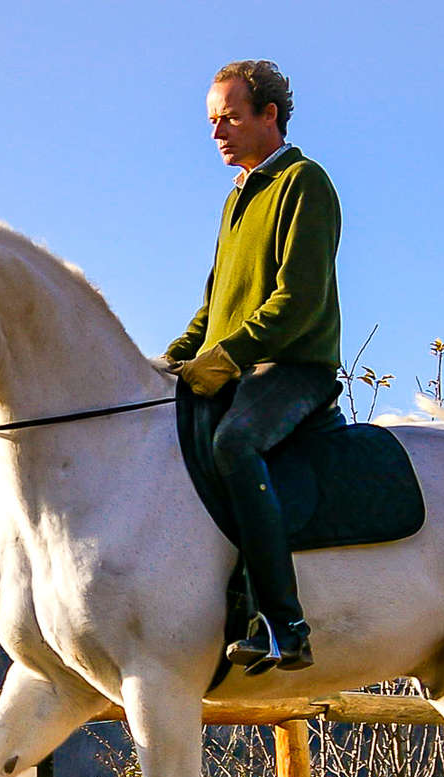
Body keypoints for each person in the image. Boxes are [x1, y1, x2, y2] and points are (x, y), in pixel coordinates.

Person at [158, 60, 342, 675]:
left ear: (269, 115)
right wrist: (167, 363)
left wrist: (226, 357)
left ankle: (283, 623)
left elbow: (298, 300)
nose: (218, 133)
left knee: (235, 442)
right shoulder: (236, 199)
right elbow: (213, 311)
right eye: (213, 121)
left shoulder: (304, 182)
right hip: (238, 370)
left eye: (231, 118)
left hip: (295, 371)